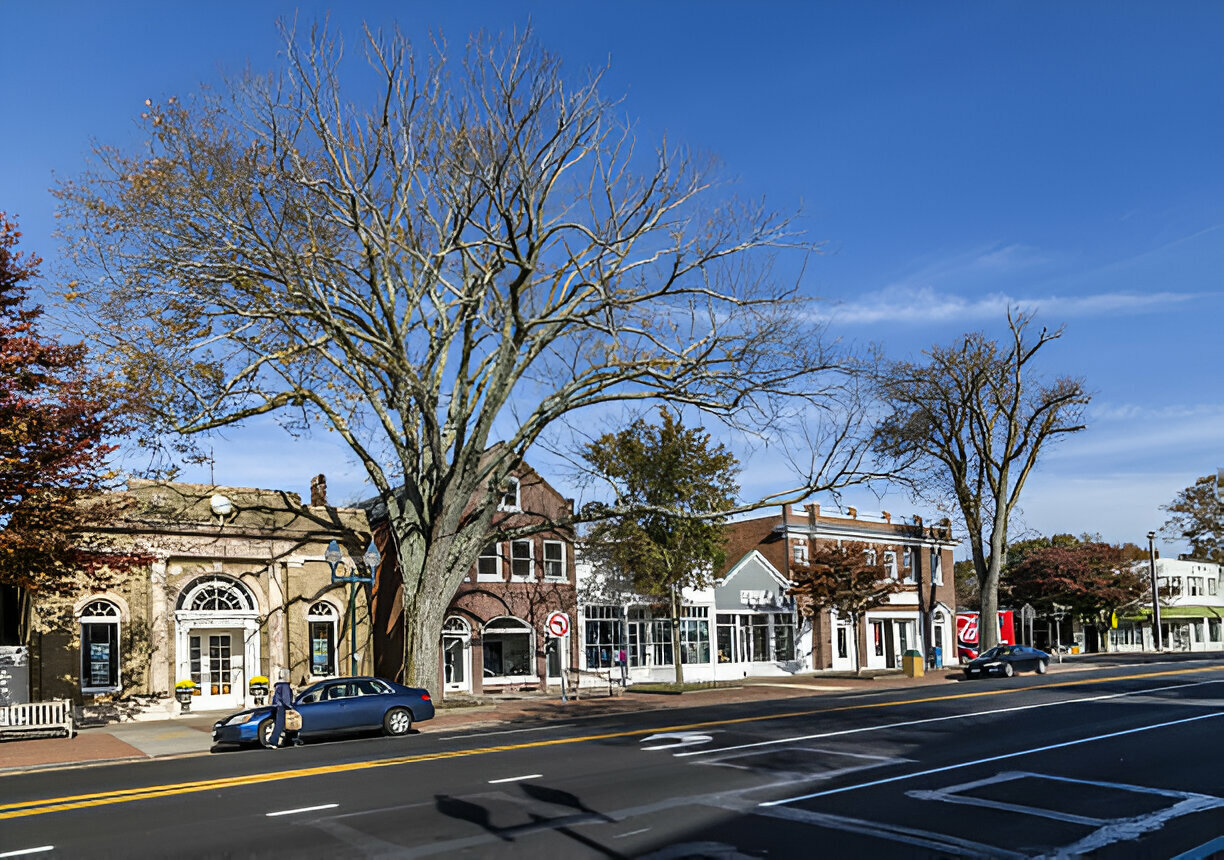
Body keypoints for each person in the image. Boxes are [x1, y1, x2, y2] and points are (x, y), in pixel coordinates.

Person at [265, 668, 299, 749]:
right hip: (282, 707)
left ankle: (283, 740)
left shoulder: (278, 685)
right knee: (281, 725)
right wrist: (291, 707)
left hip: (277, 706)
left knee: (280, 724)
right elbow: (286, 699)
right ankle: (274, 742)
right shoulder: (285, 686)